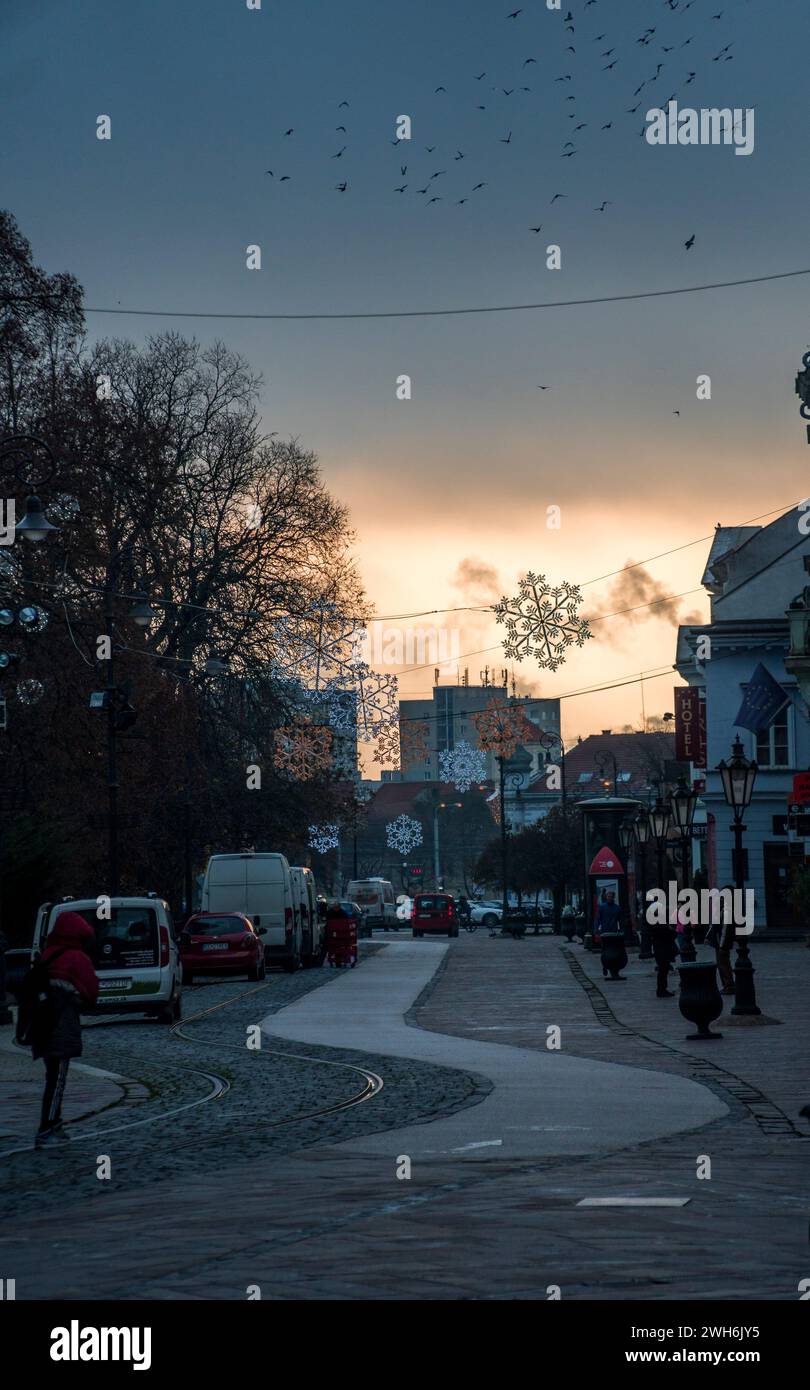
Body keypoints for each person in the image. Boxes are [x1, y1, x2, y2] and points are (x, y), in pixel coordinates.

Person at [16, 912, 99, 1149]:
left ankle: (54, 1123)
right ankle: (48, 1126)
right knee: (57, 1079)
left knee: (53, 1077)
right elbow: (91, 992)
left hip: (42, 1026)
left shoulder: (48, 955)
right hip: (62, 1025)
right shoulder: (76, 958)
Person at [704, 884, 736, 994]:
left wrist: (722, 945)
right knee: (721, 964)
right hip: (719, 943)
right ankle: (726, 985)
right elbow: (714, 925)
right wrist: (708, 937)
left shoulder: (728, 911)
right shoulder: (723, 909)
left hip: (723, 944)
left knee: (724, 964)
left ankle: (729, 985)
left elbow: (725, 930)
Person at [597, 891, 627, 979]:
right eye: (608, 896)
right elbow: (598, 919)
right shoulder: (602, 907)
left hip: (614, 931)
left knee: (614, 948)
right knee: (604, 949)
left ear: (613, 897)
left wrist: (621, 930)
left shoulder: (617, 908)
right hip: (605, 931)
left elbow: (620, 920)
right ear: (606, 897)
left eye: (611, 896)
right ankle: (605, 966)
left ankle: (612, 968)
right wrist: (597, 929)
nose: (609, 898)